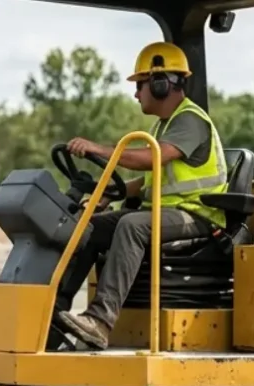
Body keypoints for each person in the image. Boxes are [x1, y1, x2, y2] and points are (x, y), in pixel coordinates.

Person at [55, 41, 229, 350]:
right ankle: (55, 312)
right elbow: (151, 181)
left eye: (140, 85)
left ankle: (100, 321)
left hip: (199, 216)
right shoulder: (165, 126)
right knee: (91, 225)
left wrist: (100, 149)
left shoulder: (190, 120)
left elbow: (150, 159)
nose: (136, 94)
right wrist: (108, 192)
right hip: (169, 213)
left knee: (132, 225)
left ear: (162, 83)